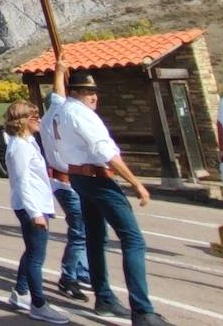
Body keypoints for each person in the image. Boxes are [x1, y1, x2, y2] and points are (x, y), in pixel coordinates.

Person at [52, 69, 168, 326]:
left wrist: (60, 71)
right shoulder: (79, 114)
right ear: (75, 93)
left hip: (81, 178)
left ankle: (104, 297)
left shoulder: (63, 111)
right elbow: (105, 151)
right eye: (86, 92)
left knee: (96, 237)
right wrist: (136, 183)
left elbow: (56, 97)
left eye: (93, 92)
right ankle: (142, 310)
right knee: (133, 239)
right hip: (96, 177)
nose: (92, 97)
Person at [5, 100, 70, 324]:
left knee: (32, 250)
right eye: (34, 117)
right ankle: (39, 304)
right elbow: (22, 182)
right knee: (36, 256)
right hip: (31, 206)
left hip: (38, 204)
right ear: (23, 121)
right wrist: (35, 213)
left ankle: (20, 291)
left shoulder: (28, 142)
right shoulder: (20, 147)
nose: (39, 120)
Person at [40, 60, 90, 301]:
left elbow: (58, 96)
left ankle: (82, 270)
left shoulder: (54, 113)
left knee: (84, 229)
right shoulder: (65, 115)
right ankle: (68, 276)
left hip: (69, 182)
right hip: (66, 182)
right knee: (79, 231)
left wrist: (59, 73)